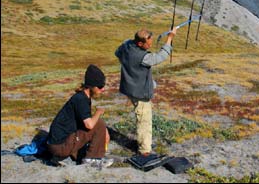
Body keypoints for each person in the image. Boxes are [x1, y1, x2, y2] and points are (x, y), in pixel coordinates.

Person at [115, 27, 176, 157]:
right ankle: (144, 151)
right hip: (140, 93)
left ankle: (144, 144)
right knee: (144, 120)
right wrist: (170, 38)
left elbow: (117, 52)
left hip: (129, 87)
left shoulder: (126, 45)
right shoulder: (143, 57)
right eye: (148, 43)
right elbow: (160, 57)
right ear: (140, 43)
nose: (150, 45)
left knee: (141, 116)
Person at [47, 64, 113, 168]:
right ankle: (92, 159)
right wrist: (98, 112)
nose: (102, 90)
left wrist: (105, 132)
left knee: (98, 125)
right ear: (91, 86)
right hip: (59, 146)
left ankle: (70, 156)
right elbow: (89, 125)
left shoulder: (82, 97)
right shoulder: (81, 100)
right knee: (99, 123)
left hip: (57, 143)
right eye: (100, 87)